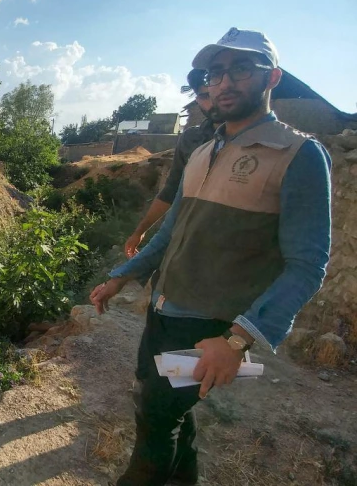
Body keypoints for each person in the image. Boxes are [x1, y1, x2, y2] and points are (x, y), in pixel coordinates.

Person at [90, 28, 332, 485]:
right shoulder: (202, 151)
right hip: (163, 311)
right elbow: (170, 232)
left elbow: (307, 264)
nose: (224, 82)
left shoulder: (298, 155)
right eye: (215, 73)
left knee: (156, 420)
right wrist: (122, 276)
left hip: (208, 330)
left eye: (241, 69)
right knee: (168, 412)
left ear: (272, 77)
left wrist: (237, 340)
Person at [123, 69, 222, 259]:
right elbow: (172, 189)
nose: (212, 102)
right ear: (197, 100)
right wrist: (140, 231)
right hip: (191, 239)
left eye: (214, 94)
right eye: (204, 96)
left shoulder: (252, 140)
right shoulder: (192, 139)